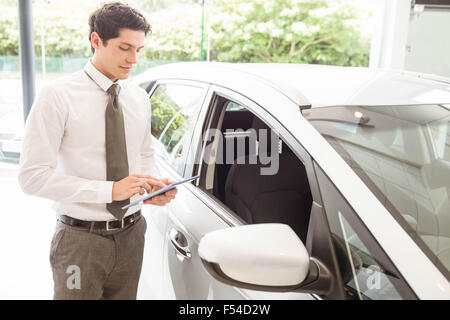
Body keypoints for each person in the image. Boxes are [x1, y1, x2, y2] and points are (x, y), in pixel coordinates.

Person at [18, 2, 177, 300]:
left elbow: (143, 154)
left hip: (132, 234)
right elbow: (32, 177)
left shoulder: (139, 98)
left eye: (139, 49)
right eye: (124, 48)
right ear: (96, 40)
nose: (133, 59)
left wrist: (152, 187)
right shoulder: (57, 96)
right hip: (80, 241)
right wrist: (110, 191)